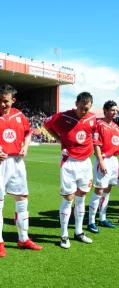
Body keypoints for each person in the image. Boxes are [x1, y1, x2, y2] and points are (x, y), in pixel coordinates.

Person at [43, 92, 96, 249]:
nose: (83, 111)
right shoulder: (63, 116)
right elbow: (46, 124)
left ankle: (78, 232)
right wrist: (59, 138)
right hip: (69, 162)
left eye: (86, 109)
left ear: (90, 106)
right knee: (69, 198)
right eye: (80, 108)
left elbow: (92, 133)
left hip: (85, 163)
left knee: (81, 197)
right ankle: (64, 235)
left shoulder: (92, 118)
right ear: (76, 104)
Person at [0, 84, 43, 257]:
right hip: (0, 163)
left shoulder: (19, 115)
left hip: (17, 161)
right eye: (0, 101)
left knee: (22, 199)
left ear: (13, 100)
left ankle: (23, 238)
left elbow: (27, 133)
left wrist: (26, 147)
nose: (3, 105)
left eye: (6, 101)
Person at [87, 100, 119, 233]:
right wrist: (101, 161)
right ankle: (91, 221)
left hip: (113, 160)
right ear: (105, 110)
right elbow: (96, 144)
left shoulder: (116, 127)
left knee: (107, 190)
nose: (115, 112)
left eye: (116, 110)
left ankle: (102, 217)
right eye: (112, 110)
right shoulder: (99, 125)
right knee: (99, 190)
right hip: (104, 159)